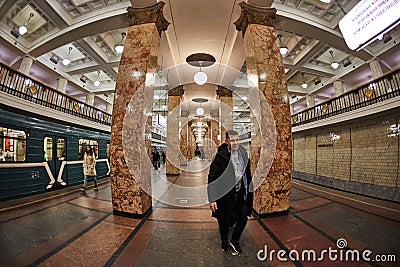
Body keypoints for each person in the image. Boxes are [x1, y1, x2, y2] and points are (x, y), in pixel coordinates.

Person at [207, 130, 253, 255]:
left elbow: (247, 177)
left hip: (239, 195)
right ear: (227, 141)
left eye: (237, 140)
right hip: (224, 196)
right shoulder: (220, 157)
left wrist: (249, 194)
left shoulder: (243, 155)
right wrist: (212, 199)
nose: (235, 142)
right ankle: (224, 240)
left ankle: (235, 240)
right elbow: (212, 178)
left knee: (243, 219)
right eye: (232, 140)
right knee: (223, 221)